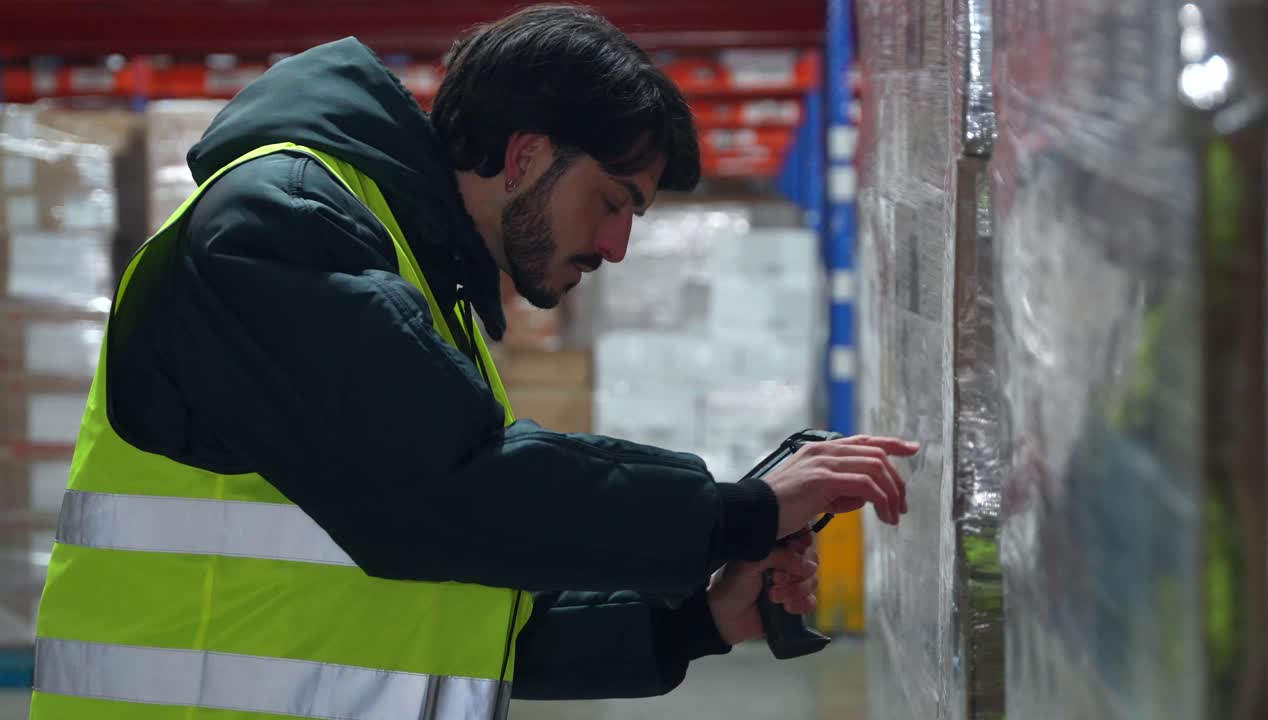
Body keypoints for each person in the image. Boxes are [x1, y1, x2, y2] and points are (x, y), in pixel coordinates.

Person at [30, 5, 917, 719]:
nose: (614, 246)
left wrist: (693, 622)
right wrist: (740, 512)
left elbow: (454, 610)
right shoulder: (281, 225)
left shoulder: (412, 282)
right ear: (525, 154)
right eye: (612, 202)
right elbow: (441, 497)